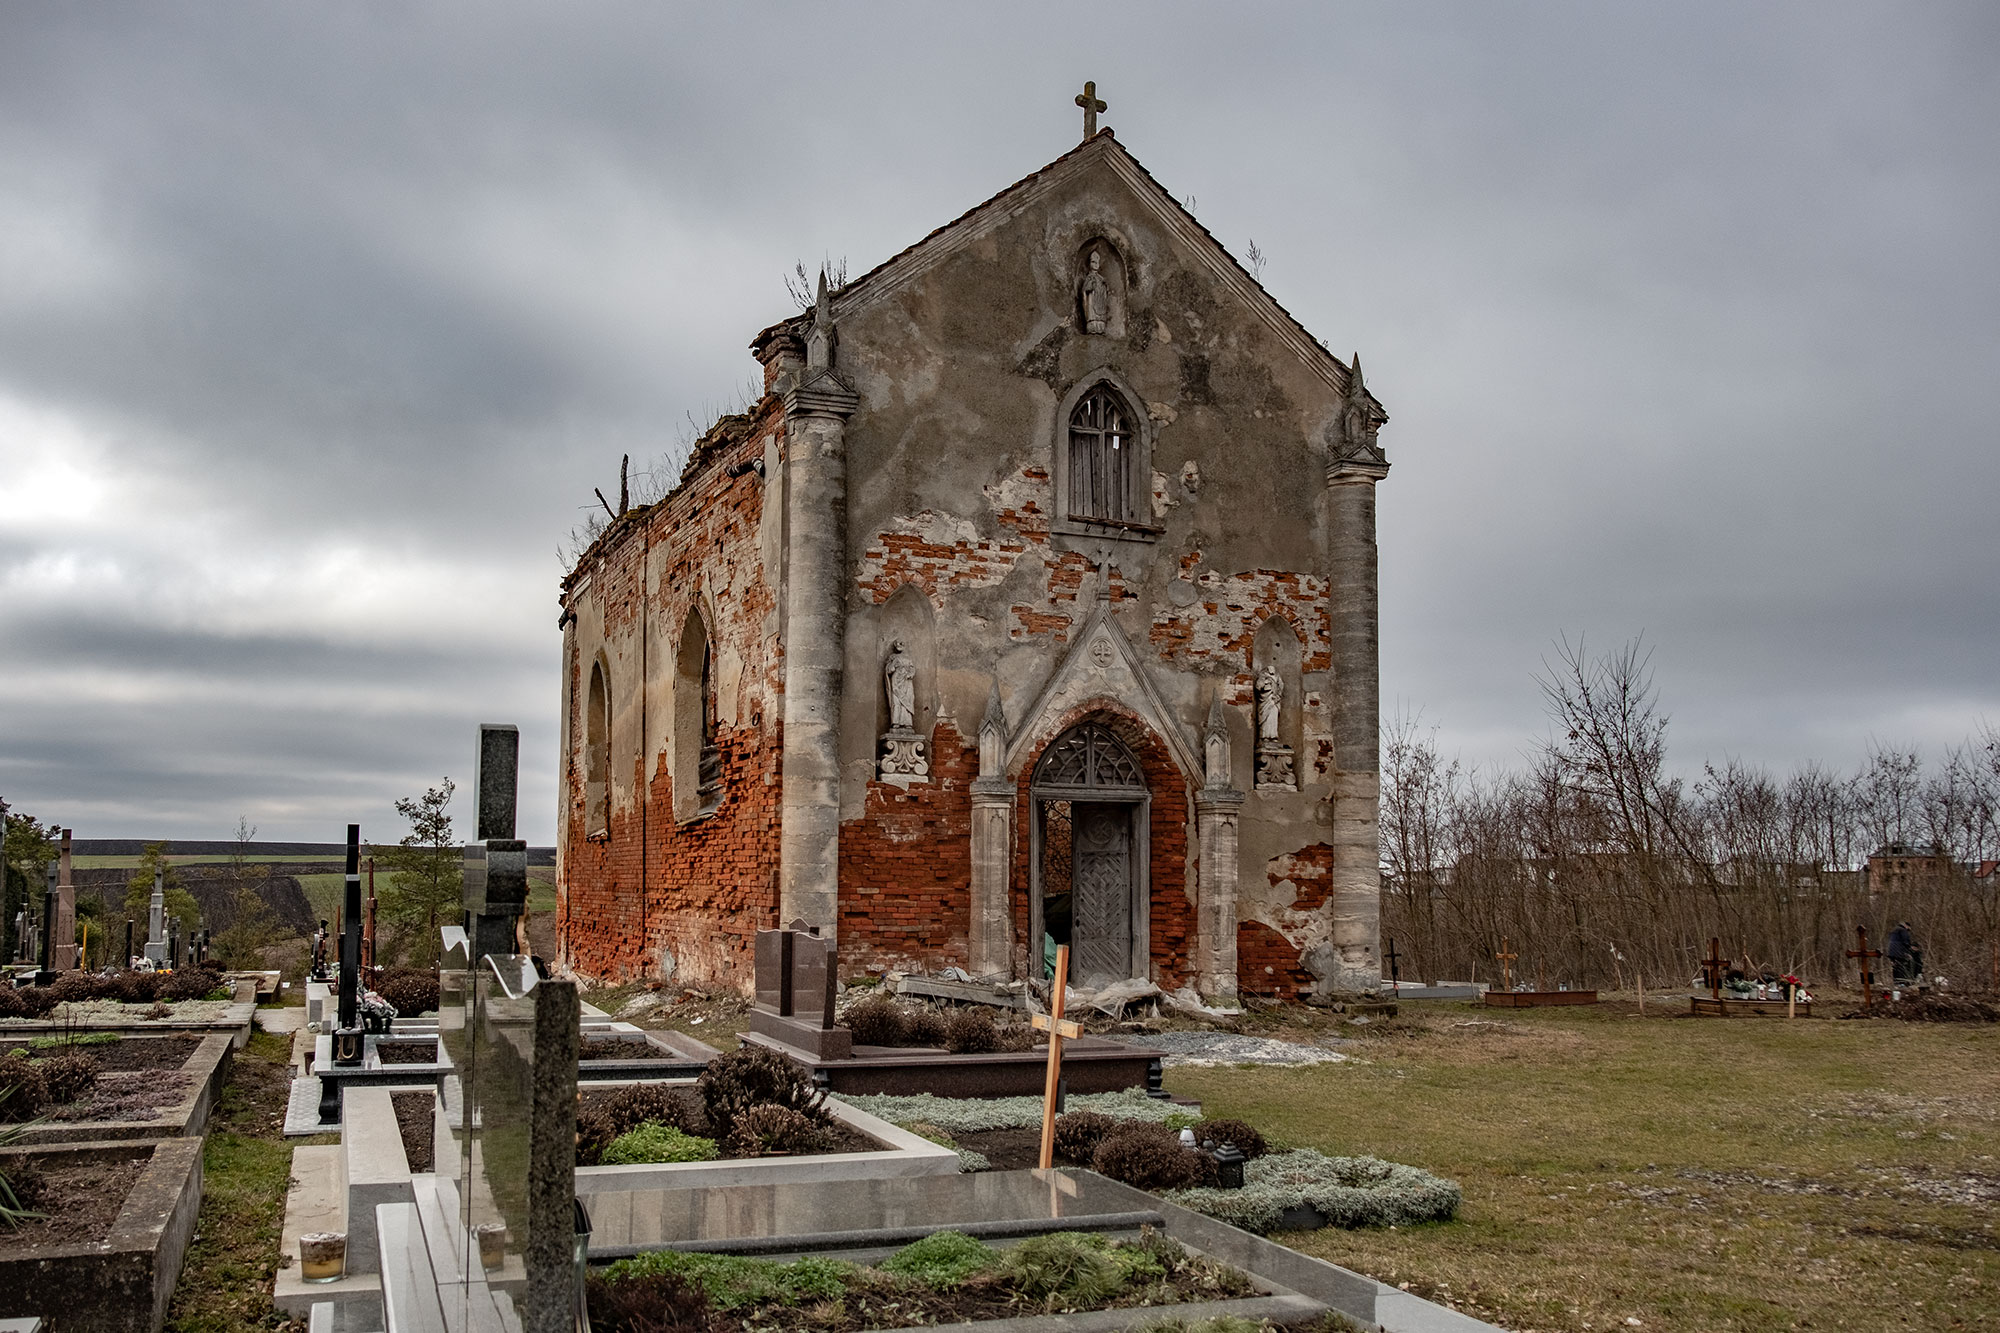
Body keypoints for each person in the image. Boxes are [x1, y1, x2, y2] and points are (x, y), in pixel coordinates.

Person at [1886, 921, 1921, 987]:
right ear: (1907, 926)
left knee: (1895, 967)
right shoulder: (1903, 931)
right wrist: (1909, 948)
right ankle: (1902, 982)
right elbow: (1906, 942)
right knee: (1902, 966)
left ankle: (1896, 982)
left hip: (1891, 952)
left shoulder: (1894, 931)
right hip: (1899, 952)